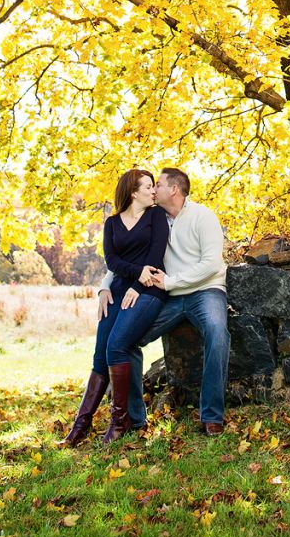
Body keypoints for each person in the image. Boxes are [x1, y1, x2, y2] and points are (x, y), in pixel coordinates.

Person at [98, 168, 230, 435]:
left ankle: (212, 415)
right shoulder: (155, 218)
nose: (153, 189)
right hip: (169, 298)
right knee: (127, 340)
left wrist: (170, 282)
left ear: (174, 190)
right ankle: (136, 418)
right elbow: (126, 258)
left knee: (218, 333)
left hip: (206, 291)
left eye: (158, 184)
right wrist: (104, 285)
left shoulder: (202, 216)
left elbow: (212, 264)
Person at [60, 169, 169, 446]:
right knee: (100, 356)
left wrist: (138, 284)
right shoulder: (111, 223)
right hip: (118, 290)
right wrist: (114, 284)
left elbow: (156, 256)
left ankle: (119, 423)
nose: (153, 190)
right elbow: (112, 261)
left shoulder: (156, 216)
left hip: (149, 290)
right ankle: (79, 427)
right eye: (147, 186)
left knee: (117, 346)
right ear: (133, 192)